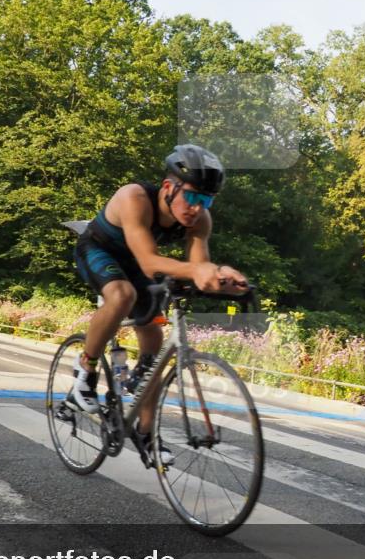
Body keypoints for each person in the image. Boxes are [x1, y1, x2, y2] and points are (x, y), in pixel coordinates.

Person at [69, 144, 248, 463]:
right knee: (123, 295)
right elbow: (151, 261)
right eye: (192, 197)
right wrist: (198, 270)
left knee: (153, 347)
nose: (197, 208)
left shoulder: (200, 221)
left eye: (206, 201)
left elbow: (198, 270)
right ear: (169, 187)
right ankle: (86, 368)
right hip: (100, 250)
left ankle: (146, 432)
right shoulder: (134, 198)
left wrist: (224, 280)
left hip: (139, 265)